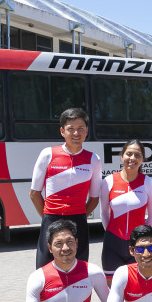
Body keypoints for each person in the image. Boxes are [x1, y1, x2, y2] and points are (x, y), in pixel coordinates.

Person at [30, 108, 102, 269]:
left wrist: (80, 215)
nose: (76, 133)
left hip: (78, 220)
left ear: (87, 131)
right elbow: (34, 193)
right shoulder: (48, 154)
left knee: (80, 269)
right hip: (51, 218)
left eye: (81, 129)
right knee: (45, 269)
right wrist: (48, 217)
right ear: (62, 131)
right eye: (71, 129)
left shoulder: (93, 159)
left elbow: (94, 198)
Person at [99, 139, 152, 284]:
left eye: (137, 155)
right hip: (112, 244)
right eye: (129, 154)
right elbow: (104, 214)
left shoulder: (147, 182)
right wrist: (113, 233)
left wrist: (141, 236)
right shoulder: (109, 181)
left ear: (142, 159)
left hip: (137, 246)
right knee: (113, 294)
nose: (132, 158)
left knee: (137, 291)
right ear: (122, 156)